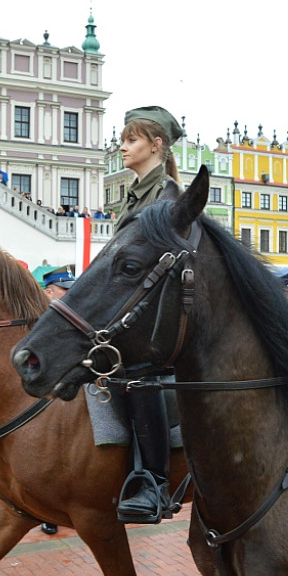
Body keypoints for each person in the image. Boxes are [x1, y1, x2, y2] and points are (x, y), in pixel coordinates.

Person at [110, 105, 185, 525]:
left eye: (132, 139)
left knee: (139, 372)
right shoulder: (135, 194)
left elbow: (165, 269)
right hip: (127, 309)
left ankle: (154, 480)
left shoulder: (168, 196)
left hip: (158, 314)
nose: (123, 146)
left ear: (156, 145)